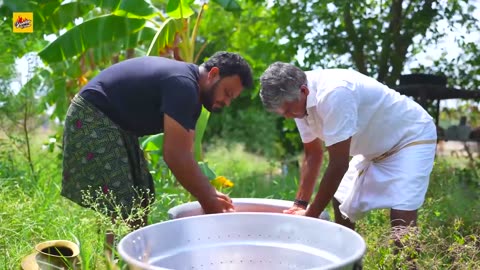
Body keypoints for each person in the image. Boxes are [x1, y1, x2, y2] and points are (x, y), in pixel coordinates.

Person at [61, 52, 253, 230]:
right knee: (122, 207)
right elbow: (176, 155)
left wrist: (211, 194)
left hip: (118, 127)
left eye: (232, 99)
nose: (226, 103)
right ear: (213, 73)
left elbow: (182, 151)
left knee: (140, 198)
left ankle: (128, 260)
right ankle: (113, 262)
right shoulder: (184, 86)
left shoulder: (190, 90)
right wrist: (209, 198)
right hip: (93, 116)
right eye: (227, 93)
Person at [259, 62, 437, 245]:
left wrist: (310, 215)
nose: (287, 116)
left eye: (288, 110)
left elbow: (338, 164)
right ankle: (348, 257)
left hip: (409, 138)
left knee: (402, 215)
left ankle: (407, 264)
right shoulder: (297, 101)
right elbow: (313, 155)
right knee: (340, 199)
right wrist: (300, 205)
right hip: (373, 149)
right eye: (282, 112)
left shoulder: (335, 93)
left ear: (304, 91)